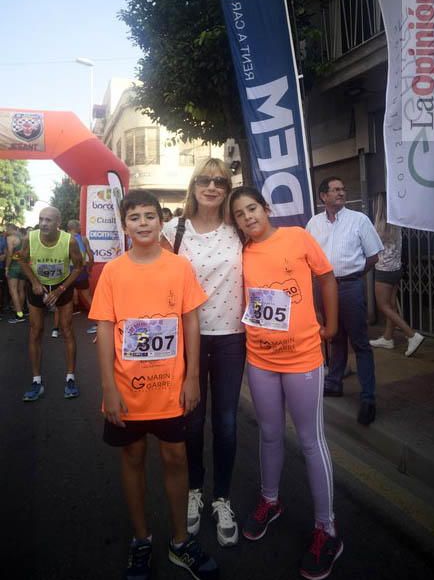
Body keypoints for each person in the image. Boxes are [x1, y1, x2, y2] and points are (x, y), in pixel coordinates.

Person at [89, 189, 218, 580]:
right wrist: (108, 387)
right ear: (125, 226)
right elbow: (106, 328)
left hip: (171, 388)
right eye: (134, 218)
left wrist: (192, 376)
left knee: (175, 457)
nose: (143, 223)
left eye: (149, 216)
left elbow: (191, 322)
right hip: (127, 391)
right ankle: (141, 539)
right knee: (132, 458)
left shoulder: (179, 267)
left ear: (161, 222)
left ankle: (180, 542)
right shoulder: (113, 271)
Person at [229, 186, 342, 580]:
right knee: (270, 435)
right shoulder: (241, 252)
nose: (248, 218)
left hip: (303, 359)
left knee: (311, 441)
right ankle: (270, 501)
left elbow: (327, 277)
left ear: (266, 208)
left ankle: (327, 530)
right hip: (260, 360)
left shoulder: (297, 237)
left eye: (252, 209)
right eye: (240, 214)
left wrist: (333, 324)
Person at [161, 158, 245, 548]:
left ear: (227, 190)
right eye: (205, 180)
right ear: (193, 186)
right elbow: (149, 277)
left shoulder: (239, 230)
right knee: (191, 421)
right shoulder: (172, 230)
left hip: (231, 337)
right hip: (186, 338)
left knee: (225, 422)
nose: (212, 186)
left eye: (220, 181)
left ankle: (222, 498)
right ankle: (194, 489)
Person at [306, 177, 383, 426]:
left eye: (343, 189)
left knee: (360, 342)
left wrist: (354, 276)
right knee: (334, 337)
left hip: (350, 286)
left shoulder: (359, 220)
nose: (341, 193)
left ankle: (368, 398)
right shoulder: (313, 224)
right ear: (323, 196)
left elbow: (373, 256)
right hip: (322, 287)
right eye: (335, 190)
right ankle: (334, 383)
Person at [17, 206, 83, 401]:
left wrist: (61, 289)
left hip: (62, 286)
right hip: (38, 287)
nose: (44, 223)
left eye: (49, 220)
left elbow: (79, 266)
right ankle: (36, 381)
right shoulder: (29, 237)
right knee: (35, 330)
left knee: (67, 329)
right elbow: (20, 258)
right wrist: (34, 281)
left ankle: (70, 378)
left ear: (58, 224)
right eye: (41, 219)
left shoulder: (69, 240)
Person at [370, 193, 424, 357]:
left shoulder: (378, 227)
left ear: (378, 206)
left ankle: (411, 335)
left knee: (384, 306)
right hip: (396, 269)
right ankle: (387, 338)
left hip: (384, 271)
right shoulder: (396, 223)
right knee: (391, 305)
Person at [67, 219, 97, 334]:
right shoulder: (83, 238)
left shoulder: (63, 238)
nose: (81, 228)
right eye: (79, 226)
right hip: (81, 270)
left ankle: (61, 327)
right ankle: (98, 322)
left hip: (68, 271)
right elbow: (91, 256)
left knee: (65, 298)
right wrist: (88, 268)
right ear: (75, 227)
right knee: (88, 296)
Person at [5, 223, 26, 323]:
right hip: (24, 267)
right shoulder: (23, 238)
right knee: (21, 290)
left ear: (9, 229)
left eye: (6, 229)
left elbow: (9, 254)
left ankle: (19, 315)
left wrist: (7, 267)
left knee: (13, 291)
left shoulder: (10, 238)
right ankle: (21, 311)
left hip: (14, 266)